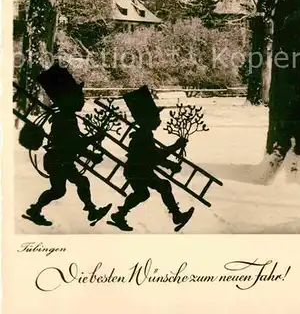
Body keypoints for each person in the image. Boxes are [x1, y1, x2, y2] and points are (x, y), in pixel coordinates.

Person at [24, 63, 110, 226]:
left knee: (62, 189)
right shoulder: (65, 118)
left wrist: (92, 143)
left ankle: (36, 210)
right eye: (79, 97)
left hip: (59, 160)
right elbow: (73, 143)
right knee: (69, 186)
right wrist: (92, 149)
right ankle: (90, 211)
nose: (82, 101)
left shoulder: (65, 116)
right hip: (59, 160)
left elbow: (73, 142)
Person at [110, 86, 193, 231]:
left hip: (138, 171)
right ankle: (176, 216)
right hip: (138, 172)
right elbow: (155, 156)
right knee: (156, 189)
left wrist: (170, 163)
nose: (159, 120)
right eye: (156, 117)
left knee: (144, 193)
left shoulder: (144, 134)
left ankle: (120, 215)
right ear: (148, 120)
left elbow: (153, 157)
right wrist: (174, 147)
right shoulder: (143, 136)